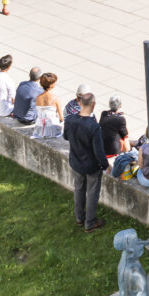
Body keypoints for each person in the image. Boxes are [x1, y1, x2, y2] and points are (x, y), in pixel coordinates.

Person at [64, 93, 108, 232]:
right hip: (91, 166)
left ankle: (79, 217)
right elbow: (99, 152)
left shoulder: (70, 119)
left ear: (80, 103)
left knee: (78, 189)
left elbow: (65, 136)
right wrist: (106, 166)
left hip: (76, 162)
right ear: (93, 104)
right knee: (92, 193)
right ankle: (90, 222)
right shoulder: (93, 126)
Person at [32, 73, 64, 139]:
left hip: (39, 129)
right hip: (52, 129)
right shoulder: (56, 98)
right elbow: (61, 118)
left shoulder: (38, 98)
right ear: (51, 85)